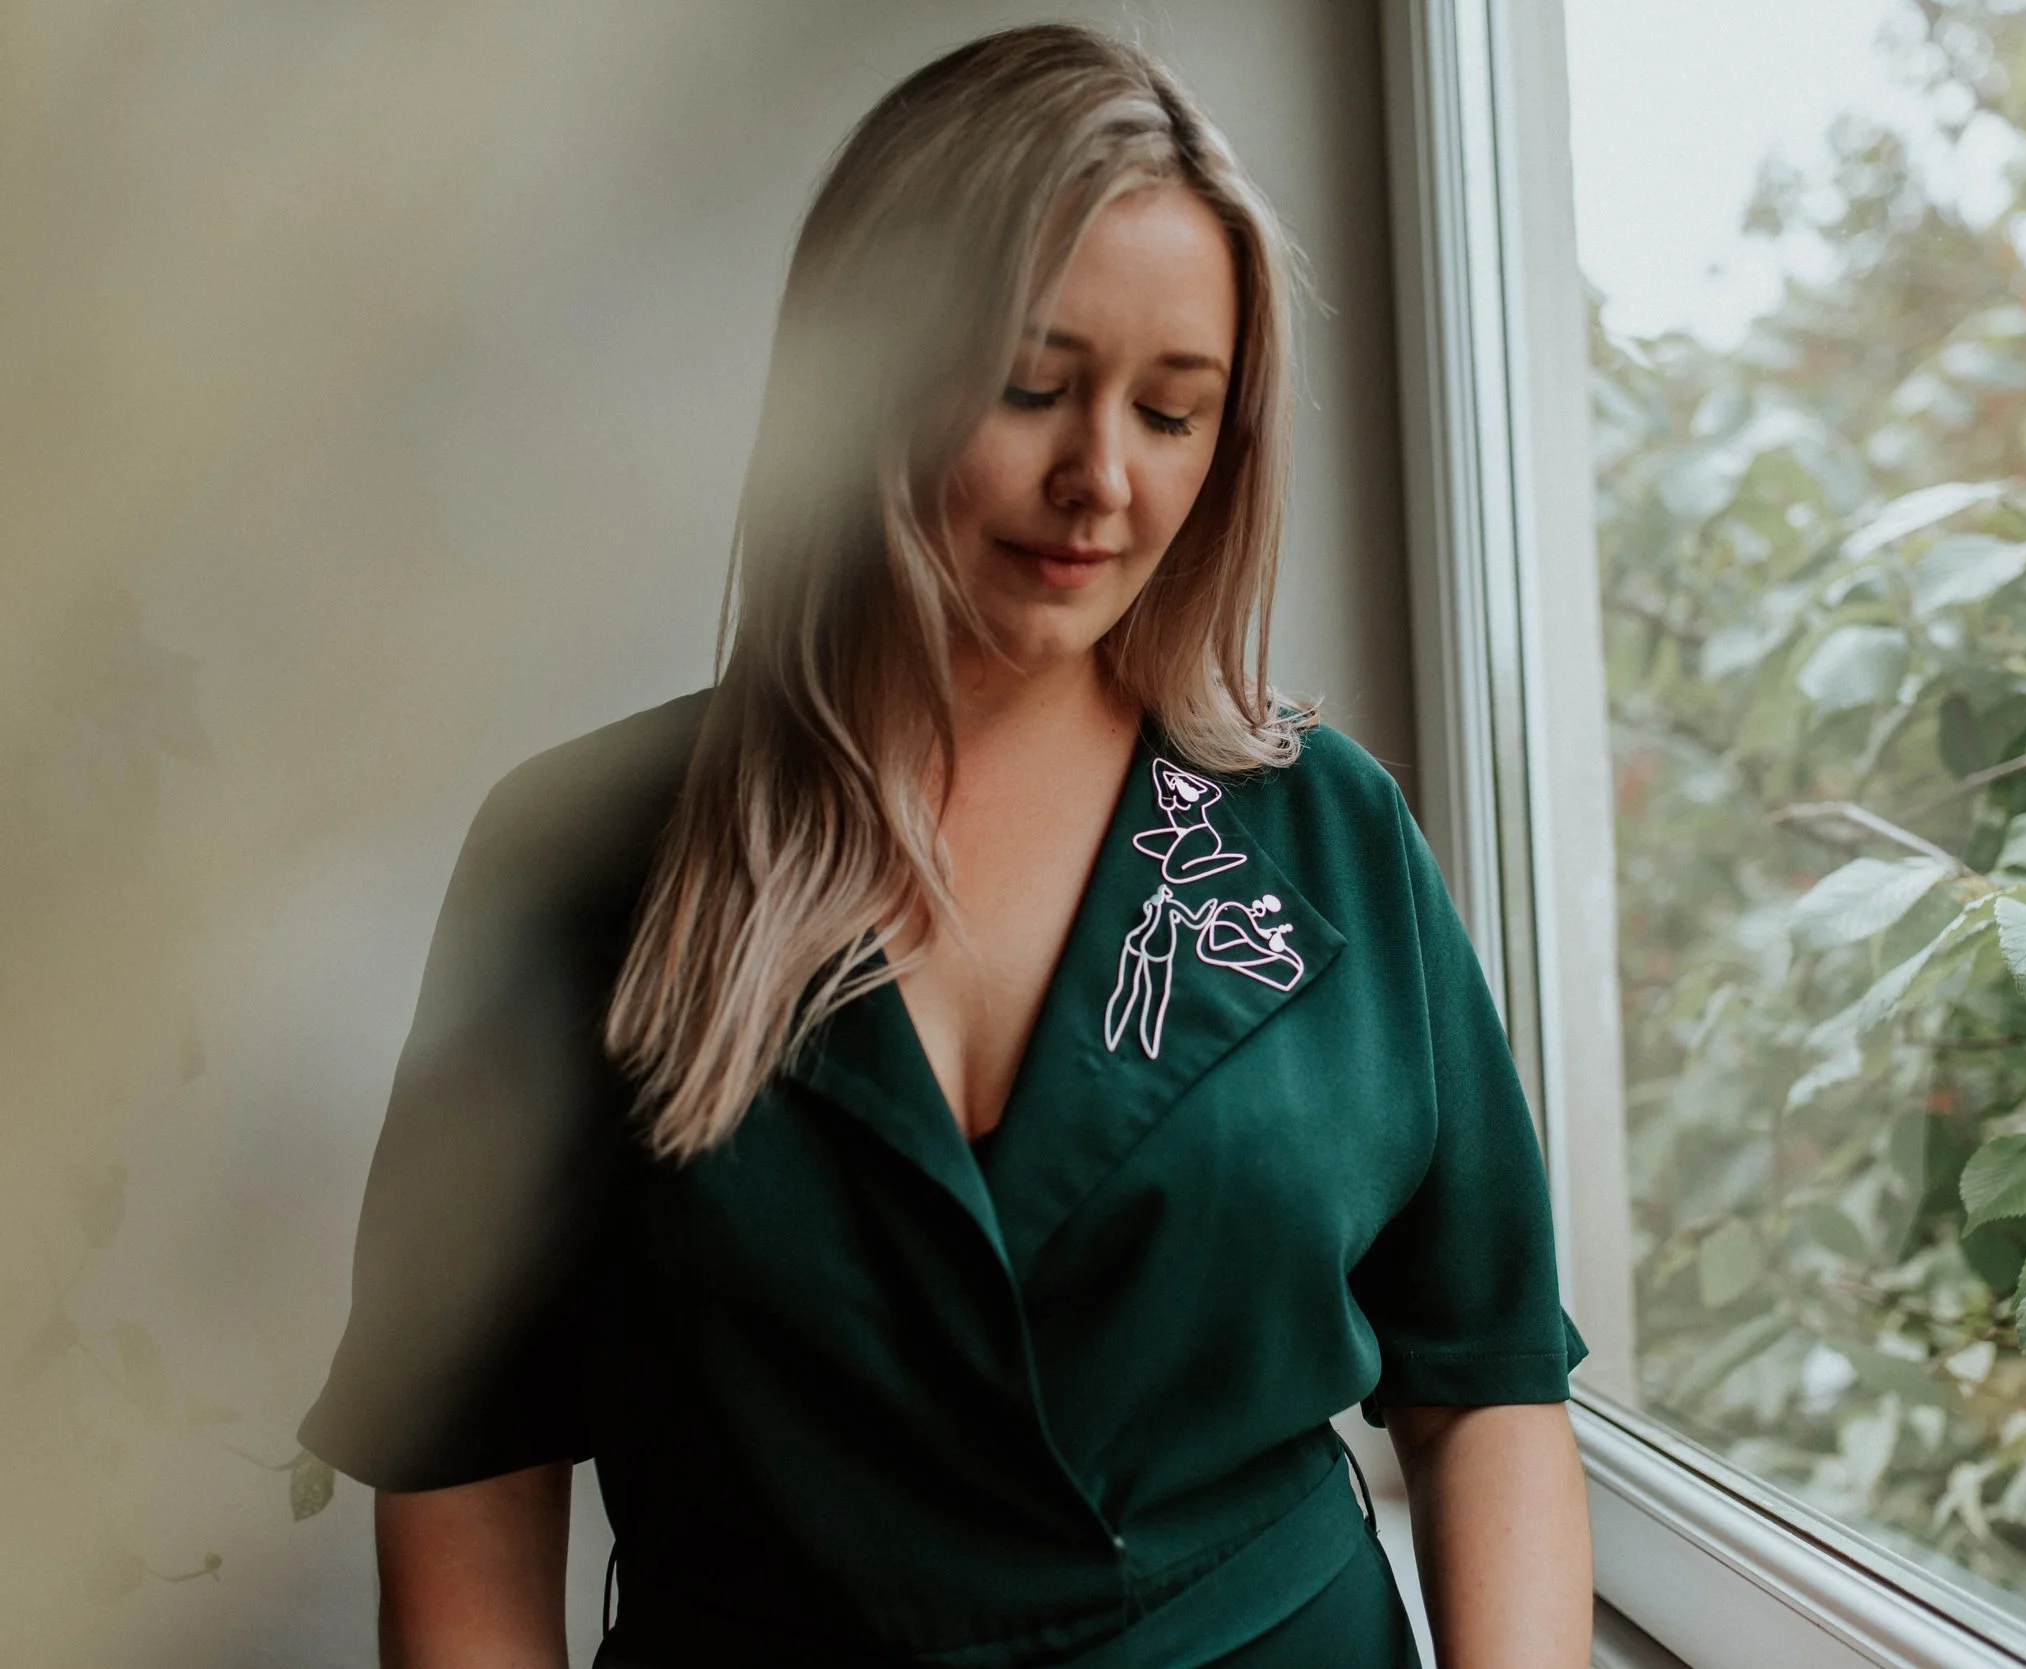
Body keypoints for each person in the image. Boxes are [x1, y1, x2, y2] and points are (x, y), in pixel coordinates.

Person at [300, 24, 1590, 1668]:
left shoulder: (1325, 838)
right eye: (1030, 387)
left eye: (1174, 413)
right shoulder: (579, 868)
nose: (1100, 480)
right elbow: (464, 1469)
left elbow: (1485, 1391)